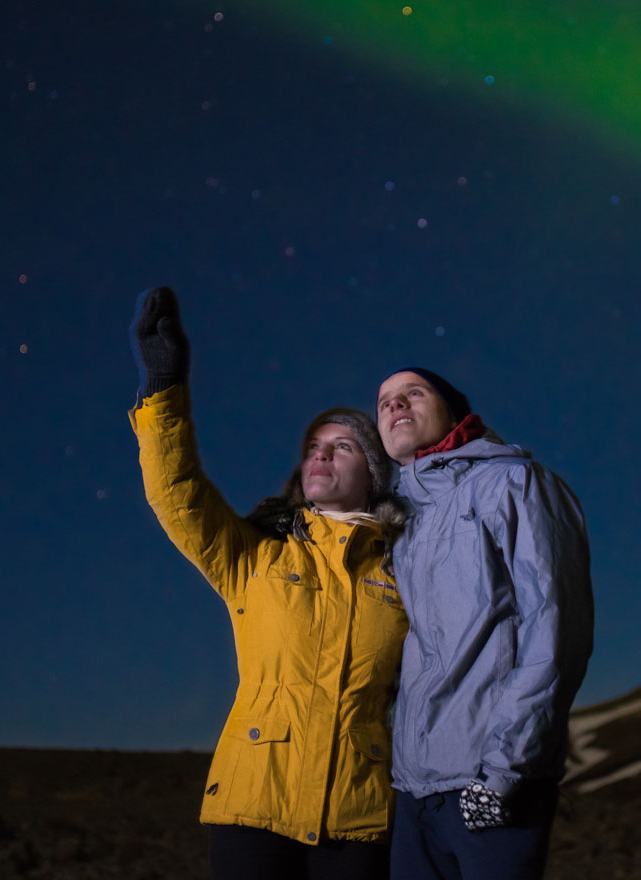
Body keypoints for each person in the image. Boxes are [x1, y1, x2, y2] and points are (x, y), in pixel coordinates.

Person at [129, 286, 408, 880]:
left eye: (342, 447)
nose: (321, 455)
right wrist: (164, 387)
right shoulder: (256, 556)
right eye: (313, 447)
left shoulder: (404, 570)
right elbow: (176, 493)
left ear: (375, 473)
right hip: (254, 803)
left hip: (358, 815)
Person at [374, 368, 594, 880]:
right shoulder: (403, 523)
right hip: (414, 792)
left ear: (454, 411)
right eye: (384, 401)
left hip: (490, 780)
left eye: (413, 393)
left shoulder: (513, 483)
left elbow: (557, 630)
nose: (395, 406)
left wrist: (504, 770)